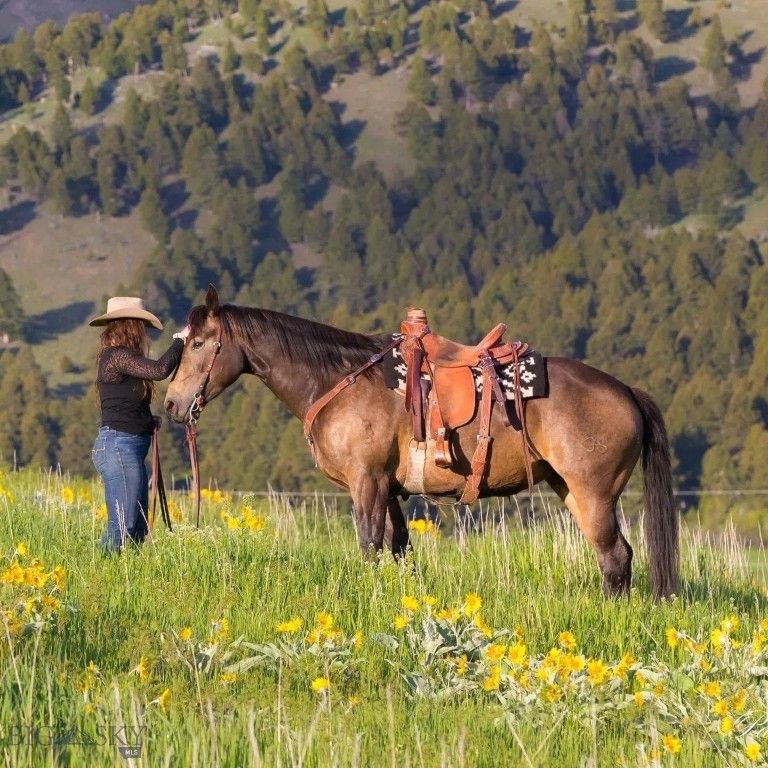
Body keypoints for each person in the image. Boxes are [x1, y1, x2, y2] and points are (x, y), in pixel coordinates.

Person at [89, 296, 189, 553]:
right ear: (130, 326)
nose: (143, 333)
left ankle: (124, 576)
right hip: (118, 446)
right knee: (123, 525)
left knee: (138, 527)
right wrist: (180, 340)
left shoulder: (120, 359)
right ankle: (102, 573)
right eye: (140, 325)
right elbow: (159, 370)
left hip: (127, 447)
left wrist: (148, 420)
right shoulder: (116, 356)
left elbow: (125, 404)